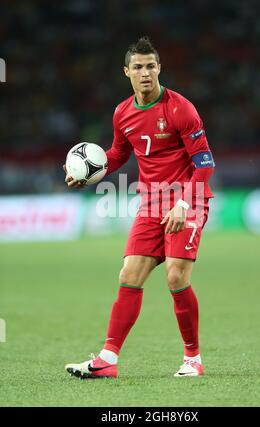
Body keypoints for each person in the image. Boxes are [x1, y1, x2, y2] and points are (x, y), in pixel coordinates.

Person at [64, 36, 215, 378]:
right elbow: (118, 153)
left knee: (175, 275)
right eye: (138, 67)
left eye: (151, 66)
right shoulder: (122, 112)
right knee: (128, 275)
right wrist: (90, 174)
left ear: (159, 68)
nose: (145, 73)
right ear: (126, 72)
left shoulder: (180, 108)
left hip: (188, 198)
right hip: (152, 202)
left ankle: (193, 358)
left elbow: (205, 164)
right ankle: (107, 360)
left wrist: (182, 203)